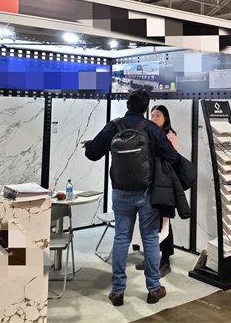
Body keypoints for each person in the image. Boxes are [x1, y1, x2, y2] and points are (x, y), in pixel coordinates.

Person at [83, 89, 179, 306]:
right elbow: (171, 156)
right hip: (147, 192)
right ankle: (154, 288)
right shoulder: (151, 128)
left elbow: (92, 154)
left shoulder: (114, 126)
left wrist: (91, 144)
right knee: (150, 238)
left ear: (127, 104)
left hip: (120, 192)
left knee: (121, 238)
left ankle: (117, 291)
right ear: (146, 108)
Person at [136, 104, 178, 277]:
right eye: (152, 115)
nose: (153, 118)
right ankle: (152, 258)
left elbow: (173, 158)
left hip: (165, 185)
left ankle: (165, 260)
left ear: (165, 118)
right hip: (151, 184)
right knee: (153, 222)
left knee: (164, 222)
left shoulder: (170, 135)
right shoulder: (150, 134)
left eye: (157, 116)